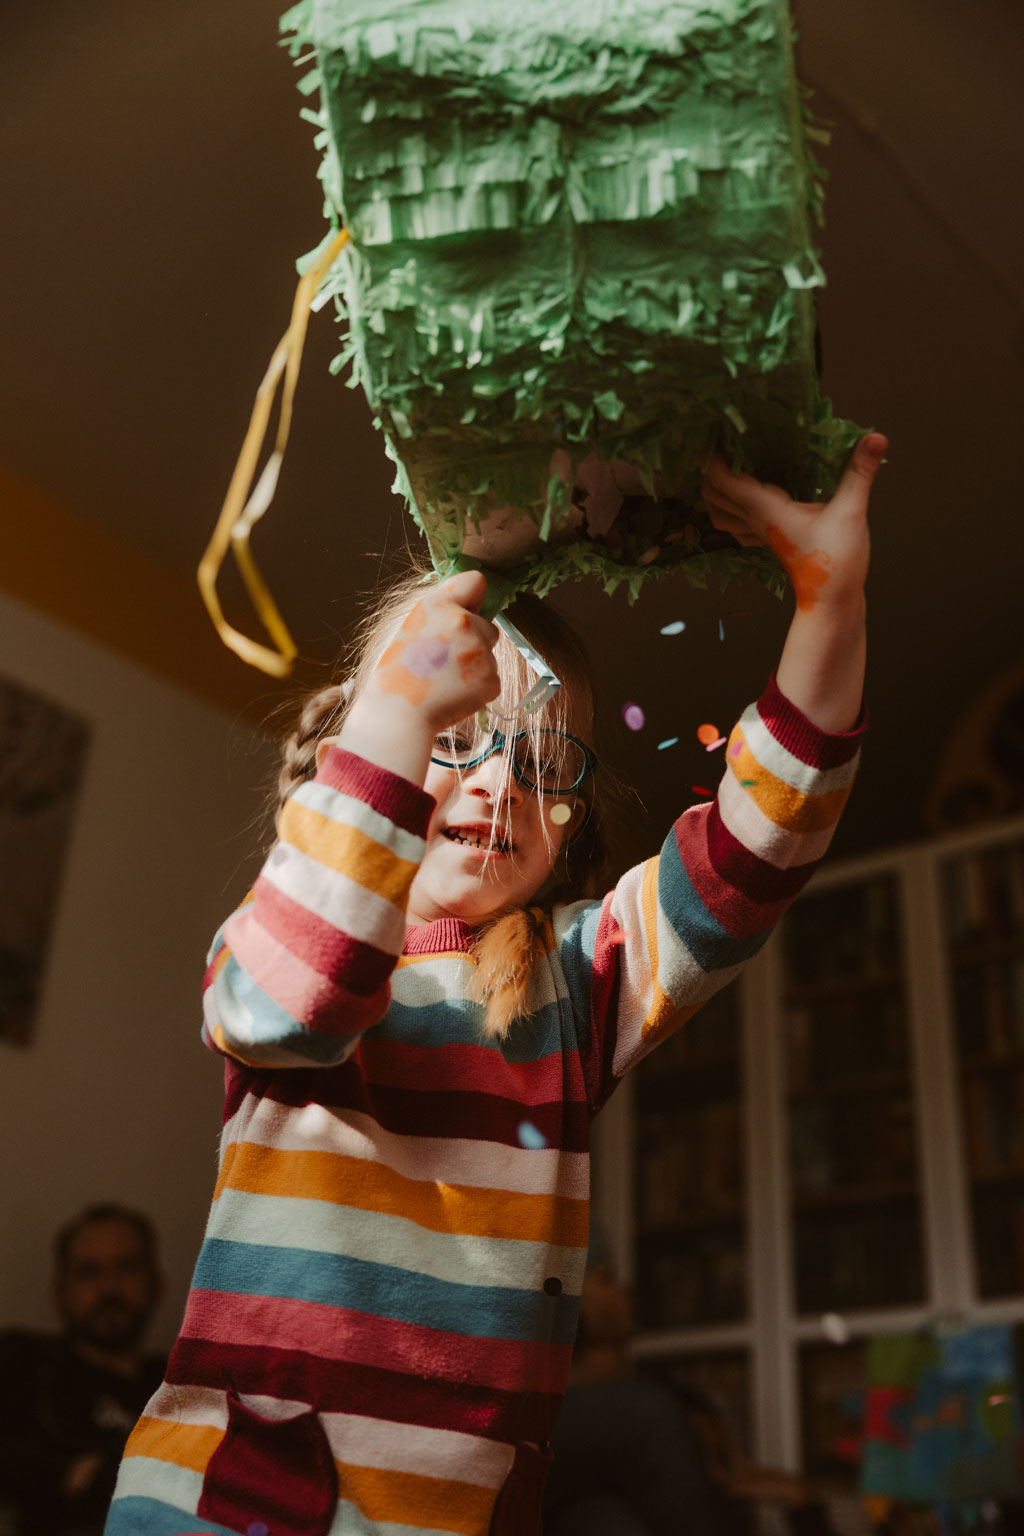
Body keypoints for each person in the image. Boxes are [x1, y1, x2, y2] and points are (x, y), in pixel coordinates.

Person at [104, 435, 887, 1536]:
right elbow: (290, 1001)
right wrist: (394, 710)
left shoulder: (574, 988)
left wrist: (829, 602)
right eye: (457, 737)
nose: (499, 782)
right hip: (233, 1508)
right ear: (364, 757)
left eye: (539, 759)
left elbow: (751, 858)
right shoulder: (289, 926)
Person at [543, 1260, 835, 1536]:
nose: (625, 1288)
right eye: (607, 1279)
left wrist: (801, 1498)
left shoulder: (674, 1401)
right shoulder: (626, 1415)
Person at [0, 1205, 166, 1536]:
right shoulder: (25, 1363)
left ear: (156, 1284)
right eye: (89, 1272)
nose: (109, 1288)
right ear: (59, 1294)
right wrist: (67, 1473)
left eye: (127, 1267)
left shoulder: (186, 1383)